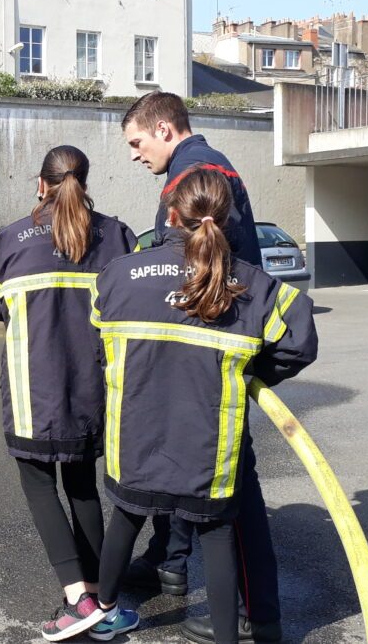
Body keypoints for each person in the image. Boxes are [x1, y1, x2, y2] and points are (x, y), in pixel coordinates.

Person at [87, 168, 318, 644]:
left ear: (172, 215)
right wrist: (252, 371)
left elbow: (98, 335)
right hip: (209, 452)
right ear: (227, 219)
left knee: (126, 517)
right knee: (215, 536)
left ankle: (102, 614)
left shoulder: (118, 275)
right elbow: (299, 341)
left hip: (136, 441)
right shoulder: (252, 285)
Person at [121, 90, 284, 643]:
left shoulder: (189, 178)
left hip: (211, 356)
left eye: (138, 142)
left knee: (231, 486)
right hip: (215, 350)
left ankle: (253, 615)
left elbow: (191, 271)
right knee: (184, 461)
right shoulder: (208, 166)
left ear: (164, 129)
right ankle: (168, 558)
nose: (135, 155)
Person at [0, 145, 140, 642]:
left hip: (33, 389)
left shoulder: (8, 241)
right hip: (93, 388)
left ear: (40, 183)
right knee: (82, 485)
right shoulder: (117, 236)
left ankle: (77, 598)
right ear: (84, 182)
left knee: (39, 485)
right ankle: (99, 599)